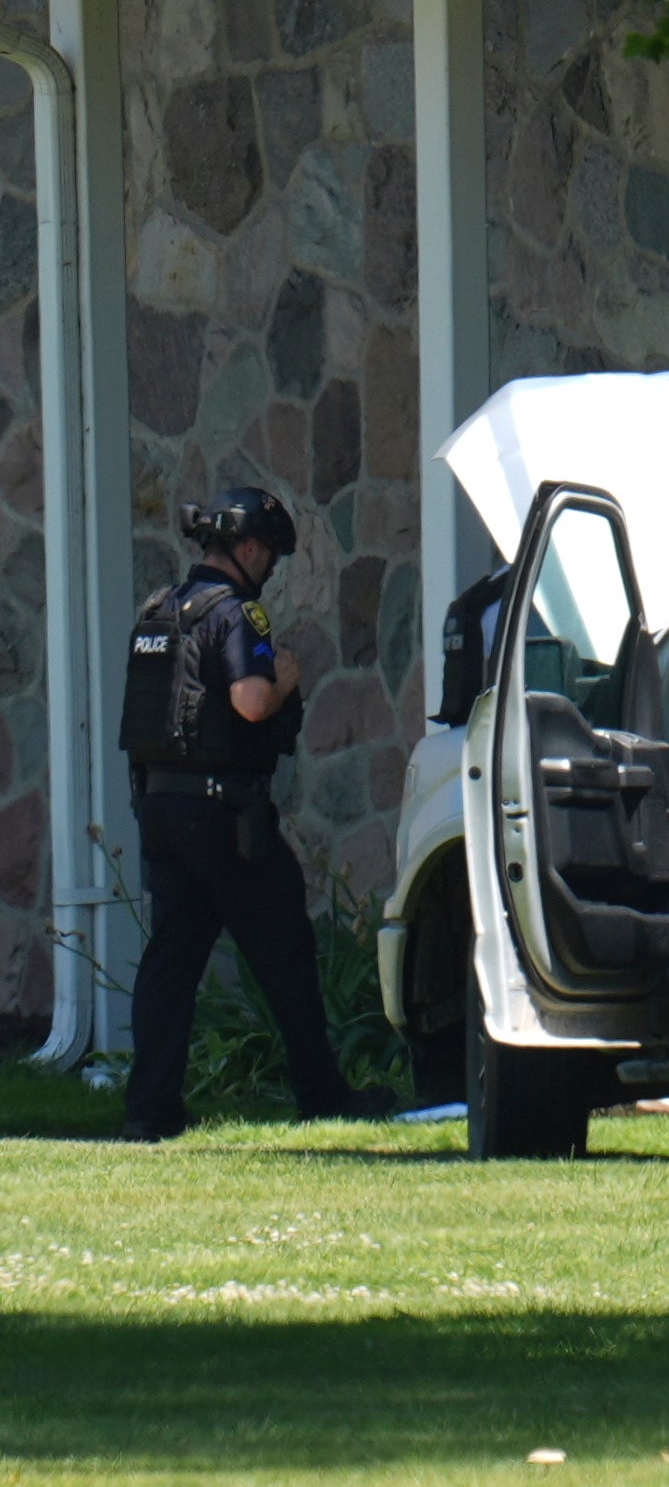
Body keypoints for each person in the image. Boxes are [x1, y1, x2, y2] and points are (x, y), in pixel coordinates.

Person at [113, 488, 394, 1142]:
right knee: (286, 951)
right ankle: (323, 1095)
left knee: (171, 962)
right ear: (246, 547)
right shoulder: (240, 615)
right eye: (268, 553)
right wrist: (287, 675)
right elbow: (249, 702)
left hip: (161, 806)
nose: (270, 566)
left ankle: (148, 1113)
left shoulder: (160, 610)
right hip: (226, 816)